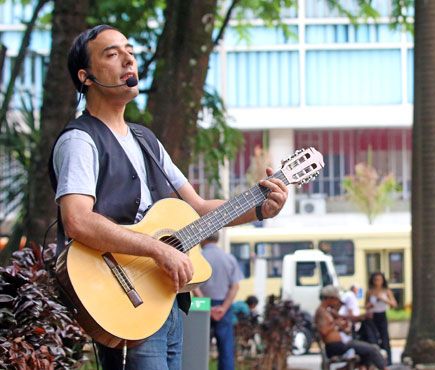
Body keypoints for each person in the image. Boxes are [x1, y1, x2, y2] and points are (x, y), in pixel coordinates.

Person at [49, 25, 288, 370]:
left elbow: (199, 209)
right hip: (124, 301)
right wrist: (157, 248)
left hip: (168, 301)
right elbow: (77, 220)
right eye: (112, 53)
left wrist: (260, 208)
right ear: (85, 77)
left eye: (129, 51)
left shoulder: (146, 140)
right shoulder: (79, 140)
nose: (128, 59)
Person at [193, 233, 243, 370]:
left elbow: (193, 285)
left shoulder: (198, 258)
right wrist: (223, 308)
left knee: (199, 347)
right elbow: (235, 286)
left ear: (203, 238)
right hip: (223, 307)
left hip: (200, 305)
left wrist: (207, 307)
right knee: (226, 348)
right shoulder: (229, 258)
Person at [315, 285, 387, 370]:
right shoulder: (321, 312)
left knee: (368, 351)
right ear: (328, 298)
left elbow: (345, 318)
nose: (337, 302)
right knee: (373, 349)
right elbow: (324, 331)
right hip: (336, 346)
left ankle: (358, 367)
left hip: (342, 343)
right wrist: (335, 325)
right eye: (335, 299)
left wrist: (359, 318)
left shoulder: (328, 311)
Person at [366, 272, 397, 365]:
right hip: (373, 316)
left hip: (382, 315)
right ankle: (375, 361)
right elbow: (366, 305)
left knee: (385, 338)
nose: (378, 282)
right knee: (373, 338)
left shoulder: (386, 291)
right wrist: (370, 305)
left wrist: (383, 299)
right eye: (376, 280)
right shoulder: (370, 292)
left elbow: (394, 304)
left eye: (379, 280)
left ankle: (388, 361)